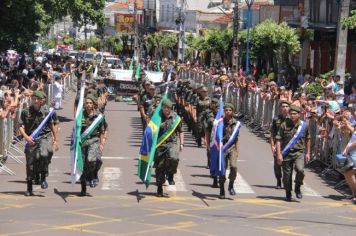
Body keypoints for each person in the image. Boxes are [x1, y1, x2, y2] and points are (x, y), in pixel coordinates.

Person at [18, 90, 59, 196]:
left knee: (45, 154)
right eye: (33, 99)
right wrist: (26, 137)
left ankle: (43, 176)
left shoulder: (47, 111)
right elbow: (20, 126)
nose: (35, 101)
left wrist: (55, 140)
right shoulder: (26, 111)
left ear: (41, 101)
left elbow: (53, 124)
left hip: (45, 137)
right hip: (31, 138)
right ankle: (29, 188)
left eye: (37, 99)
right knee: (30, 163)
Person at [276, 105, 310, 201]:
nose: (292, 115)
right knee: (287, 175)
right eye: (291, 114)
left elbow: (308, 139)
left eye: (294, 114)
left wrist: (308, 153)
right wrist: (278, 154)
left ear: (299, 115)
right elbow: (278, 140)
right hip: (286, 153)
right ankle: (288, 192)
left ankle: (298, 186)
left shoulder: (304, 125)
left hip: (299, 152)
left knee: (300, 170)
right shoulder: (284, 124)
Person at [154, 98, 184, 197]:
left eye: (168, 108)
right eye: (164, 107)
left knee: (174, 158)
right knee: (160, 167)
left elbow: (181, 131)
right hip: (160, 144)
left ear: (171, 108)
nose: (166, 109)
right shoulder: (157, 117)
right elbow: (151, 130)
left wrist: (181, 143)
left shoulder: (176, 118)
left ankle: (171, 174)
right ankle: (159, 187)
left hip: (172, 142)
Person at [80, 94, 108, 196]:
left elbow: (103, 131)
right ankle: (83, 188)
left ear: (93, 104)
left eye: (90, 103)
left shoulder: (99, 117)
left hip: (94, 140)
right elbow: (76, 130)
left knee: (92, 160)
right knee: (82, 165)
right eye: (86, 103)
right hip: (82, 142)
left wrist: (102, 143)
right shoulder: (80, 115)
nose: (88, 105)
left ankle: (93, 175)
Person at [219, 103, 240, 199]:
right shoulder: (220, 122)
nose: (228, 112)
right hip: (222, 147)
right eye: (226, 110)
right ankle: (222, 189)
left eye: (230, 110)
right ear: (224, 111)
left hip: (232, 148)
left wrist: (237, 150)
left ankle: (231, 185)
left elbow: (236, 138)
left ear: (232, 111)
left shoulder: (236, 123)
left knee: (234, 166)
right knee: (222, 169)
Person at [270, 100, 290, 189]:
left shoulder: (292, 118)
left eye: (286, 106)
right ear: (280, 108)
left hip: (288, 144)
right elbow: (272, 133)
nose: (285, 108)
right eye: (283, 106)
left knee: (287, 165)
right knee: (277, 164)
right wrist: (272, 145)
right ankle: (278, 180)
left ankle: (285, 181)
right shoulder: (276, 119)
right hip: (278, 144)